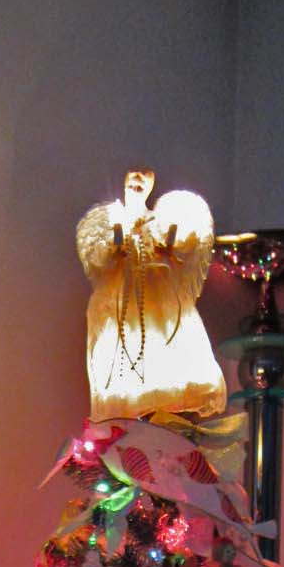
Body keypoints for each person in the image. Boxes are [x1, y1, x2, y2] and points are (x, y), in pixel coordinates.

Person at [76, 168, 226, 422]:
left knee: (164, 350)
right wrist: (116, 249)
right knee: (122, 355)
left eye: (143, 181)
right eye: (133, 180)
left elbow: (177, 254)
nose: (137, 184)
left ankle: (161, 407)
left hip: (158, 300)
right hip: (121, 303)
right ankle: (130, 409)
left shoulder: (159, 221)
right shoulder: (113, 218)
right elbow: (101, 263)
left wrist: (165, 246)